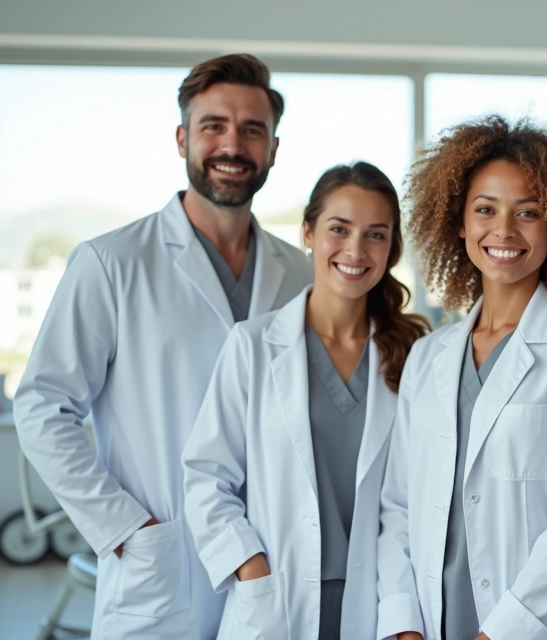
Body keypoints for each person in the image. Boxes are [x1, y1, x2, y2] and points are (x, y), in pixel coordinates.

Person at [13, 54, 313, 638]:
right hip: (164, 562)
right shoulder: (110, 263)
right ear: (182, 139)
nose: (234, 144)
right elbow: (42, 406)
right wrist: (126, 527)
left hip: (273, 563)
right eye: (213, 127)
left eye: (253, 129)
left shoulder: (300, 273)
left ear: (274, 148)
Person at [376, 115, 547, 640]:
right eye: (485, 209)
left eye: (528, 213)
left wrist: (500, 634)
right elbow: (399, 505)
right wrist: (403, 625)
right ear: (460, 223)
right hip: (429, 623)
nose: (504, 230)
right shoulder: (428, 357)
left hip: (534, 628)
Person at [183, 162, 430, 639]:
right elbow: (205, 475)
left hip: (378, 599)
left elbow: (408, 503)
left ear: (391, 249)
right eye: (339, 229)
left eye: (375, 235)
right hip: (278, 595)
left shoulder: (414, 355)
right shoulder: (252, 346)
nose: (355, 250)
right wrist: (250, 566)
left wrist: (403, 616)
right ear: (309, 233)